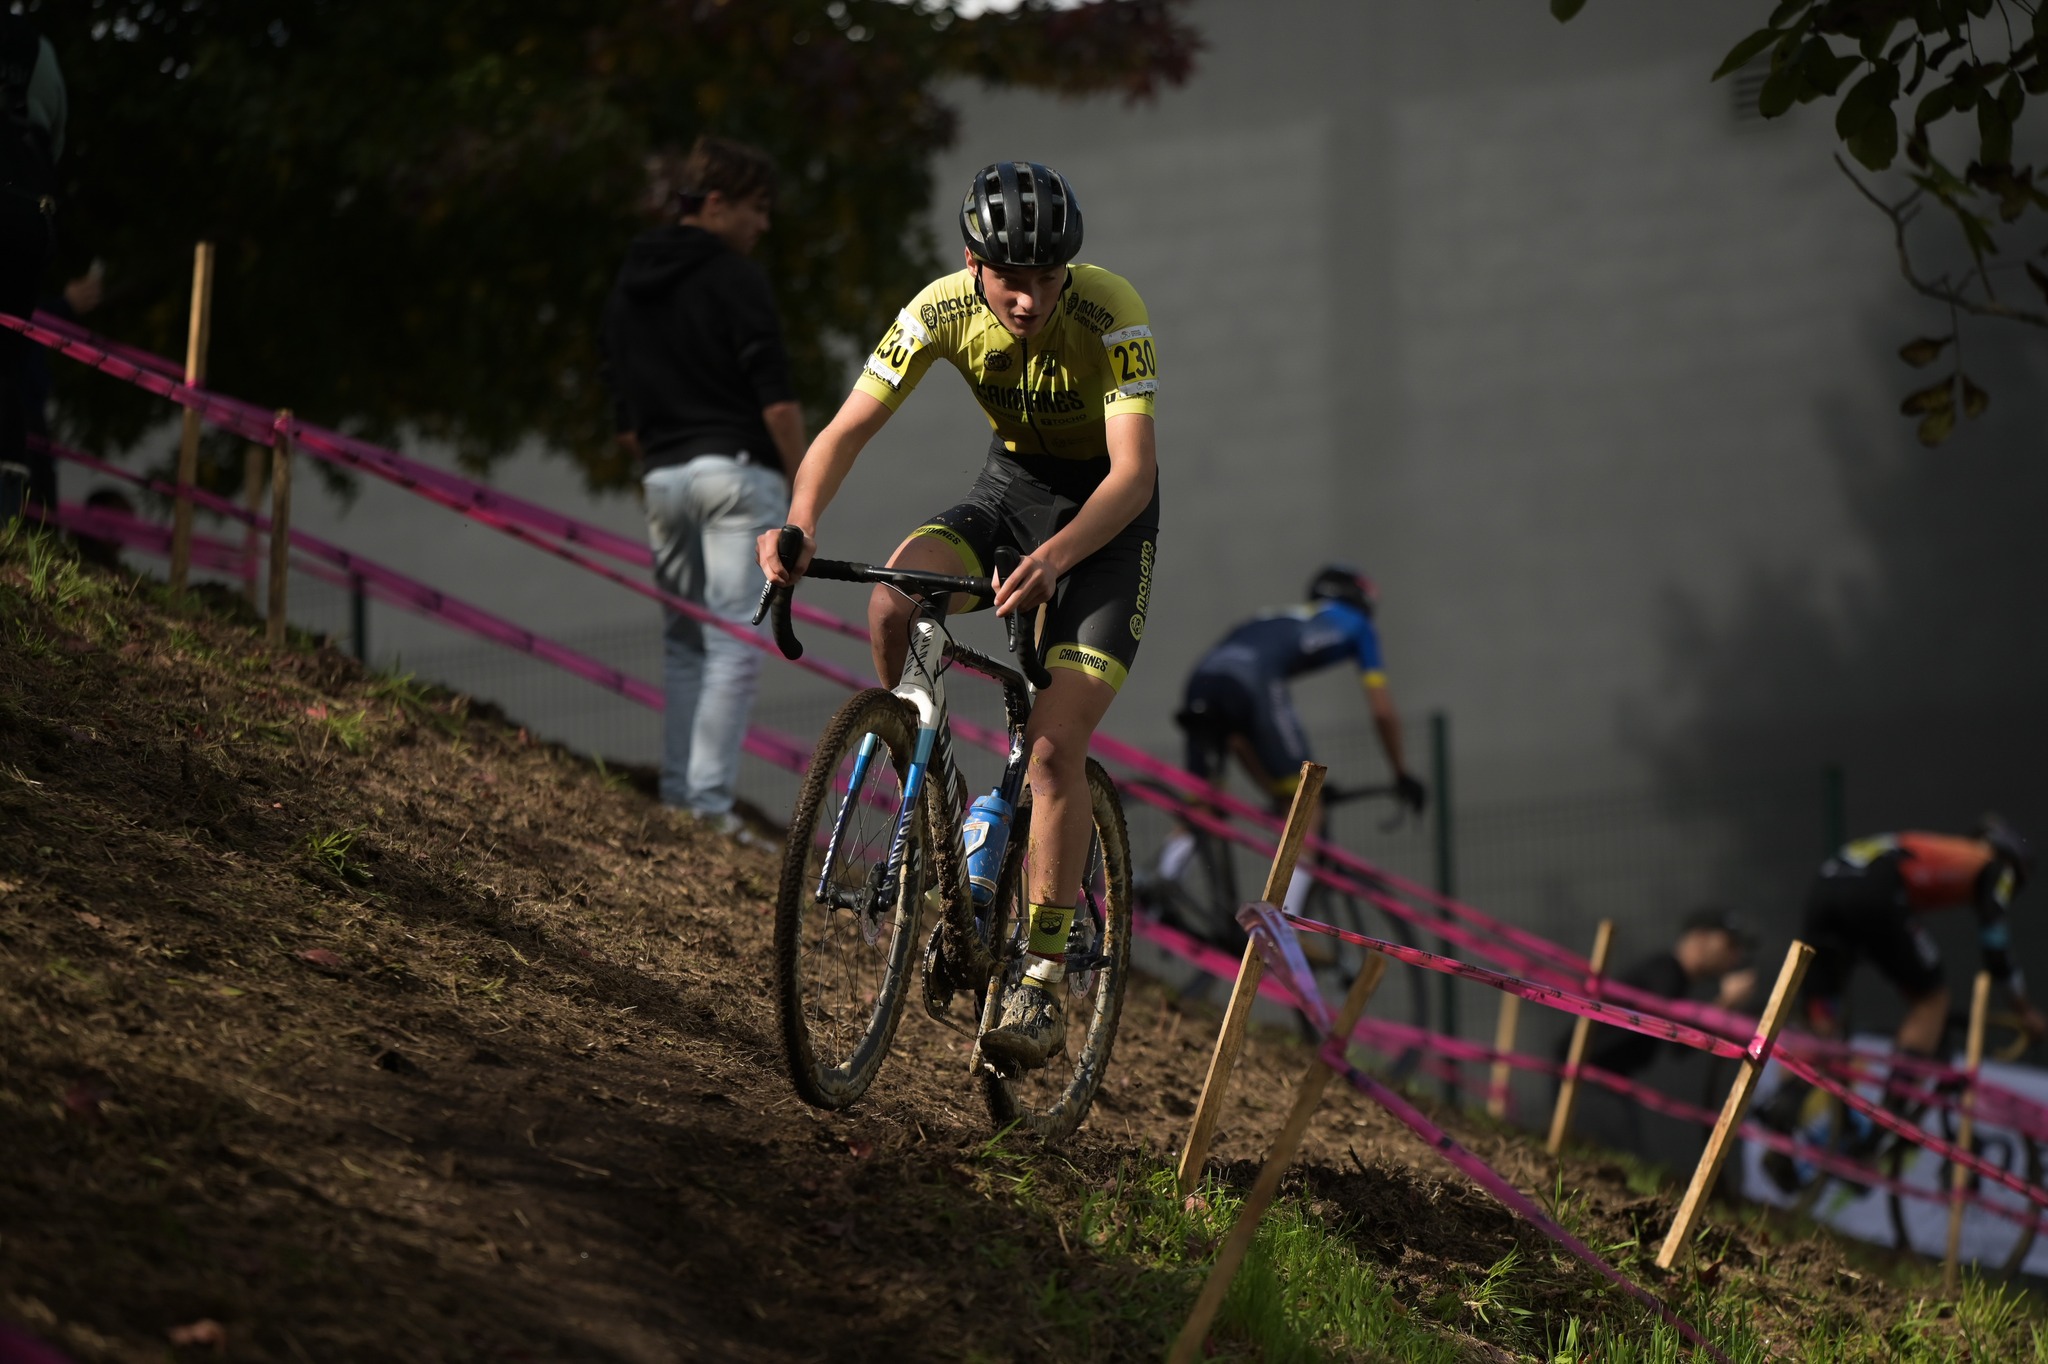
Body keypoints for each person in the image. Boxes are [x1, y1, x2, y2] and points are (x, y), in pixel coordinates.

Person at [758, 161, 1158, 1071]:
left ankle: (1045, 981)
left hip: (1105, 525)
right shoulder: (937, 309)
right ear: (972, 264)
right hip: (1010, 495)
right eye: (1009, 278)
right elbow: (843, 431)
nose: (1028, 298)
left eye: (1047, 278)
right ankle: (927, 778)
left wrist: (1058, 558)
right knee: (895, 597)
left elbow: (1132, 473)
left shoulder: (1111, 307)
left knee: (1055, 747)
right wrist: (799, 524)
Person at [602, 136, 803, 842]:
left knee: (687, 643)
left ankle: (684, 798)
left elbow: (624, 417)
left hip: (662, 477)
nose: (763, 225)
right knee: (731, 642)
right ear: (715, 203)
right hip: (736, 474)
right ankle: (708, 809)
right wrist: (804, 483)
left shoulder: (632, 278)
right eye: (757, 208)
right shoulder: (737, 278)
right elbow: (776, 401)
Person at [1759, 816, 2046, 1189]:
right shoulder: (1993, 865)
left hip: (1825, 888)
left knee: (1823, 1017)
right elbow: (1995, 947)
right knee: (1932, 998)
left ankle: (1789, 1101)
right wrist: (2024, 1010)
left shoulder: (1938, 845)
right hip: (1875, 895)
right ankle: (1889, 1114)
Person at [1166, 567, 1425, 927]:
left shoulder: (1276, 616)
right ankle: (1285, 923)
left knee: (1203, 803)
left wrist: (1274, 787)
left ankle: (1159, 879)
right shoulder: (1358, 625)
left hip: (1204, 677)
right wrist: (1401, 772)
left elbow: (1242, 739)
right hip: (1254, 681)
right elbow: (1382, 712)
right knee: (1308, 805)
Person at [0, 15, 63, 523]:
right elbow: (55, 138)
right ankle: (10, 499)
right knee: (7, 360)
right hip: (26, 218)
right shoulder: (35, 48)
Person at [1582, 906, 1758, 1081]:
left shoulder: (1670, 975)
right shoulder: (1666, 972)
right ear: (1701, 937)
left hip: (1600, 1072)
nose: (1736, 957)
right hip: (1584, 1071)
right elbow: (1681, 1037)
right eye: (1730, 945)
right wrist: (1726, 1002)